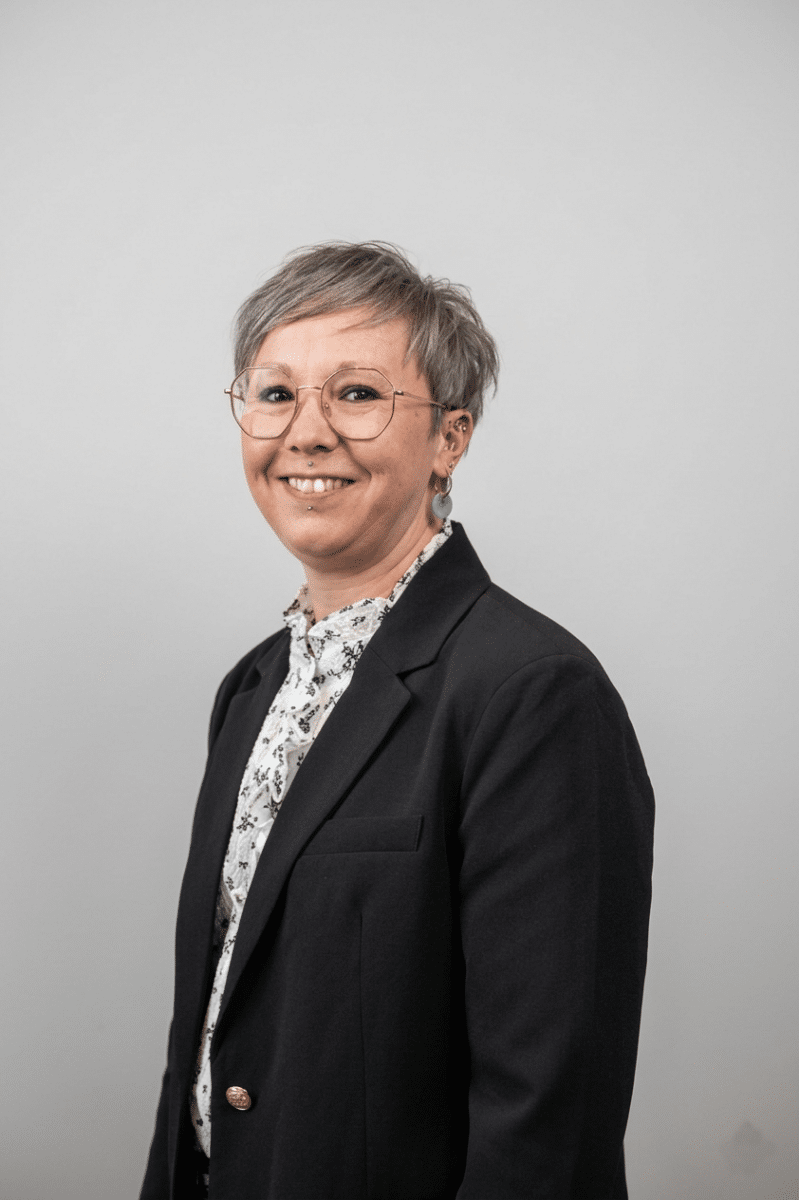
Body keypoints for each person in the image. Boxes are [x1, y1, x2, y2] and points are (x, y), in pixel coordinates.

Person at [140, 242, 654, 1200]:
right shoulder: (252, 687)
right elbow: (212, 1038)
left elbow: (547, 1112)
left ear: (449, 438)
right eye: (275, 394)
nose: (306, 434)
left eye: (357, 394)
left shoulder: (531, 692)